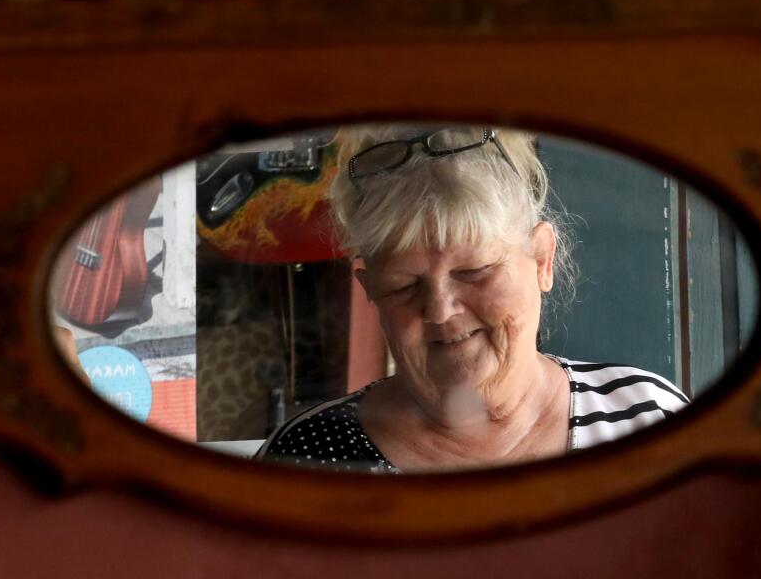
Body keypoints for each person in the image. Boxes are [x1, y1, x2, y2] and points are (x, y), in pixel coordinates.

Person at [260, 126, 688, 471]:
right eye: (404, 285)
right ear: (371, 292)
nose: (441, 309)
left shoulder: (648, 419)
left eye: (473, 272)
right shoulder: (304, 461)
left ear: (542, 260)